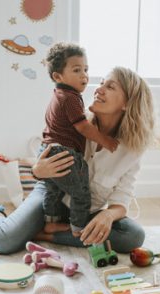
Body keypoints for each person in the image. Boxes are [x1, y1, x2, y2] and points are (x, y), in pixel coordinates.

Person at [0, 66, 155, 254]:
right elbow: (41, 162)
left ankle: (46, 235)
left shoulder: (132, 149)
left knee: (133, 236)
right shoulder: (73, 119)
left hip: (88, 211)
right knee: (2, 241)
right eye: (101, 83)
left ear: (127, 103)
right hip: (51, 196)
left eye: (110, 87)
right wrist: (37, 170)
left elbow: (121, 200)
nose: (98, 89)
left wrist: (108, 215)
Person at [39, 42, 118, 236]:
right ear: (58, 76)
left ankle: (50, 221)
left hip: (47, 150)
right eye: (76, 70)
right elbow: (82, 127)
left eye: (86, 69)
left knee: (54, 191)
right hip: (63, 152)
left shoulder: (58, 95)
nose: (84, 75)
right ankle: (78, 228)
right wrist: (106, 141)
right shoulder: (70, 97)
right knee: (81, 193)